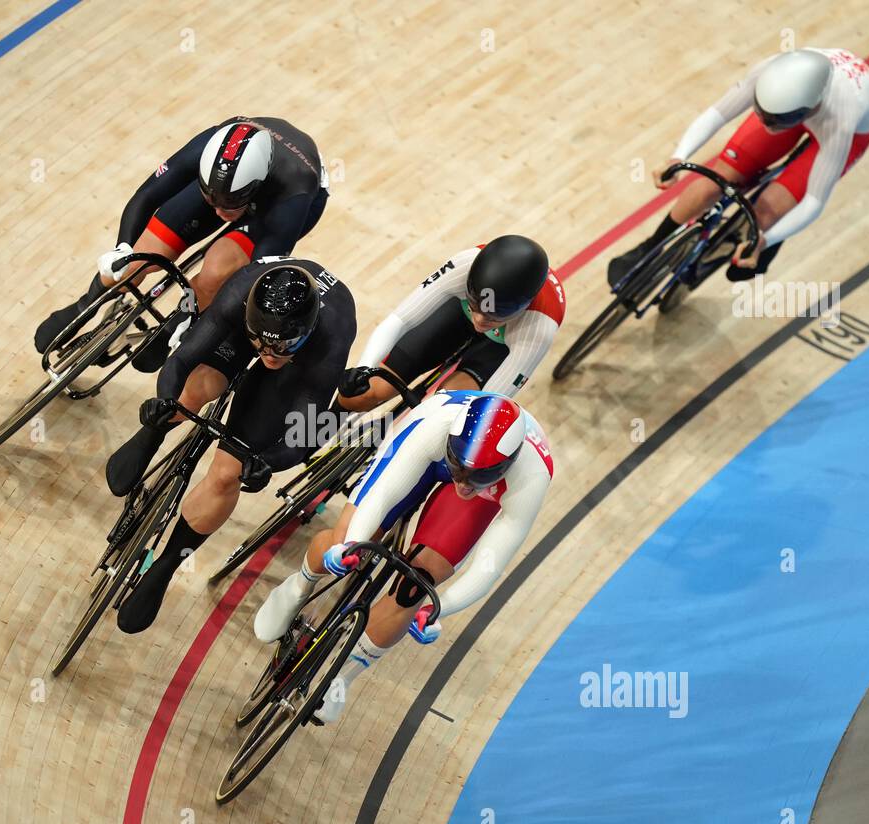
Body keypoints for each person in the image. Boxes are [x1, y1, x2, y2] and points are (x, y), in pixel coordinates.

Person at [252, 391, 554, 724]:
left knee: (417, 585)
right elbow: (382, 496)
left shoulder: (531, 475)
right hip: (426, 453)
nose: (463, 484)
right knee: (351, 538)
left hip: (485, 489)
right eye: (459, 469)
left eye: (477, 478)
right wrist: (349, 545)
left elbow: (490, 564)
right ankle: (299, 586)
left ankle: (343, 674)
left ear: (505, 465)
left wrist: (436, 610)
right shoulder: (436, 426)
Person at [107, 259, 356, 633]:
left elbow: (301, 436)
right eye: (262, 345)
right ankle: (153, 433)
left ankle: (166, 565)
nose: (268, 355)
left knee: (228, 471)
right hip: (247, 326)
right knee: (197, 386)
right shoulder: (239, 296)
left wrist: (266, 463)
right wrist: (164, 401)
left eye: (280, 348)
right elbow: (184, 358)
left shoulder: (330, 339)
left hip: (300, 365)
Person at [34, 117, 329, 365]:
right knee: (135, 262)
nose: (217, 212)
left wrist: (197, 323)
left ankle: (172, 326)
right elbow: (147, 196)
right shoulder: (207, 148)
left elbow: (257, 276)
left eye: (228, 204)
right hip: (228, 183)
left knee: (216, 273)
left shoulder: (294, 194)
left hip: (278, 207)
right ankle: (85, 306)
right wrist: (122, 248)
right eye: (211, 200)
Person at [606, 48, 869, 288]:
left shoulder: (841, 119)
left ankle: (755, 243)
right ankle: (650, 248)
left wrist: (765, 241)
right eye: (763, 113)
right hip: (795, 108)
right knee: (714, 181)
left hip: (845, 134)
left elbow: (814, 201)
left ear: (809, 108)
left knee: (768, 210)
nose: (769, 124)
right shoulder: (768, 75)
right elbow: (717, 114)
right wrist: (679, 157)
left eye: (777, 119)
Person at [337, 236, 565, 411]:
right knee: (362, 393)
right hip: (457, 316)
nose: (479, 321)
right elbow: (400, 320)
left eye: (491, 318)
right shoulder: (464, 264)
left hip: (500, 347)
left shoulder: (539, 328)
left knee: (443, 411)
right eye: (475, 306)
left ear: (521, 309)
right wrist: (363, 369)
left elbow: (490, 404)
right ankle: (314, 435)